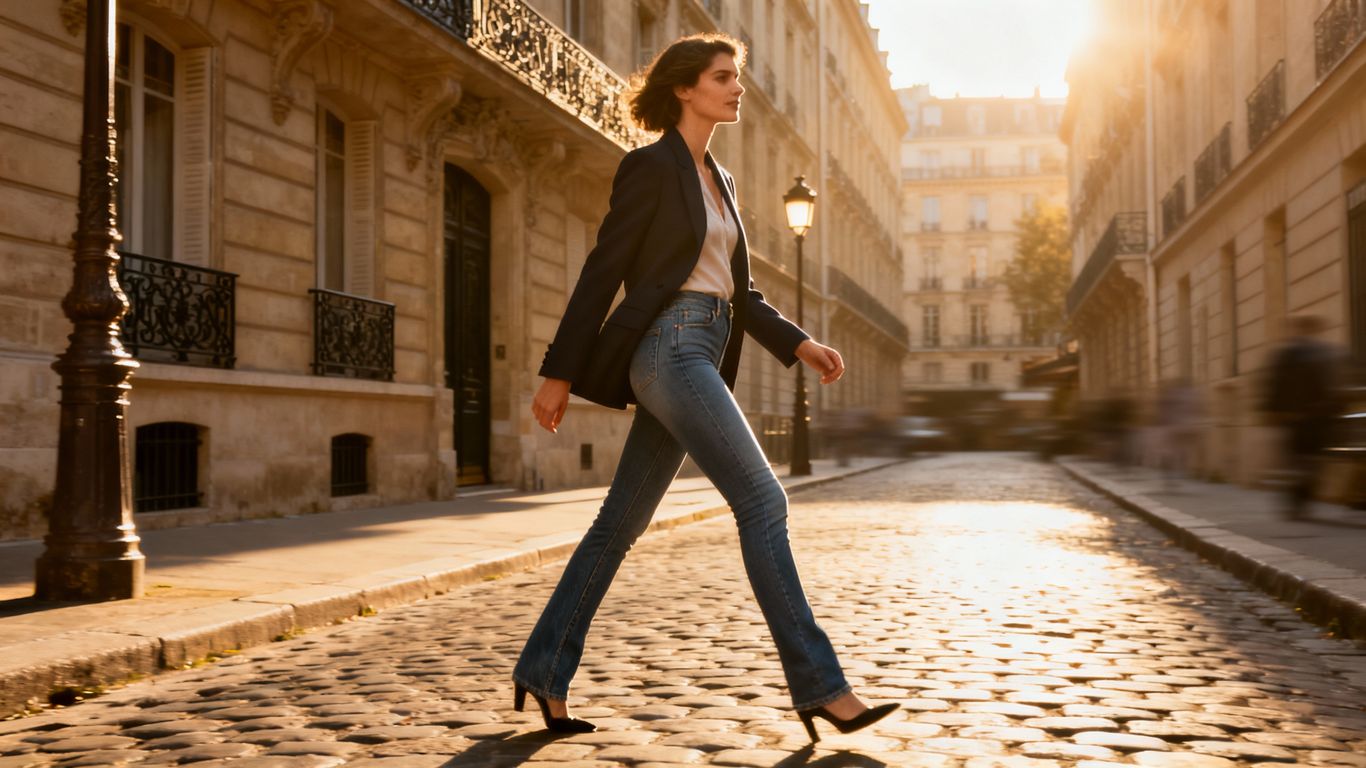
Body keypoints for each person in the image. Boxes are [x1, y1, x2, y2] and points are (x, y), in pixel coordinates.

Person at [511, 34, 898, 743]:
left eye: (736, 78)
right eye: (724, 77)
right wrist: (559, 370)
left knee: (616, 525)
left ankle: (542, 670)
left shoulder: (719, 179)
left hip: (704, 348)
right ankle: (822, 687)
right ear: (685, 89)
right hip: (668, 350)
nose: (737, 88)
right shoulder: (649, 169)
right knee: (763, 498)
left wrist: (800, 342)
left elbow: (740, 292)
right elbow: (603, 270)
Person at [1263, 314, 1342, 519]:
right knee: (1310, 461)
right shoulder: (1325, 353)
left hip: (1295, 417)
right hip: (1317, 415)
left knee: (1297, 461)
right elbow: (1332, 386)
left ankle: (1297, 500)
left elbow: (1274, 384)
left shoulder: (1287, 354)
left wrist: (1271, 411)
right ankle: (1301, 499)